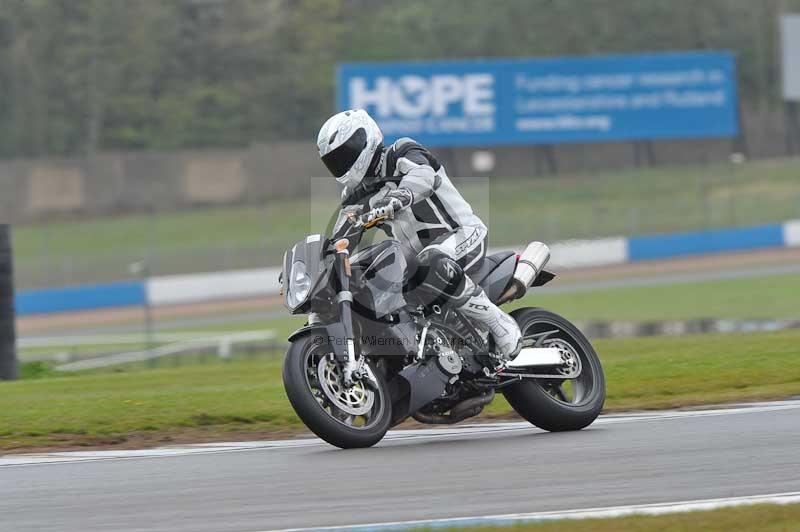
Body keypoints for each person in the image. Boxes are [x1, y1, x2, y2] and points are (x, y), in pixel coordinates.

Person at [317, 109, 521, 360]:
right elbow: (342, 234)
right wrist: (323, 257)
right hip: (413, 262)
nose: (343, 162)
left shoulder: (401, 151)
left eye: (346, 153)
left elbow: (424, 175)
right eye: (335, 160)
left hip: (462, 235)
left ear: (366, 137)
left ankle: (499, 323)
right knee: (377, 291)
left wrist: (401, 195)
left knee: (431, 260)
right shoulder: (354, 194)